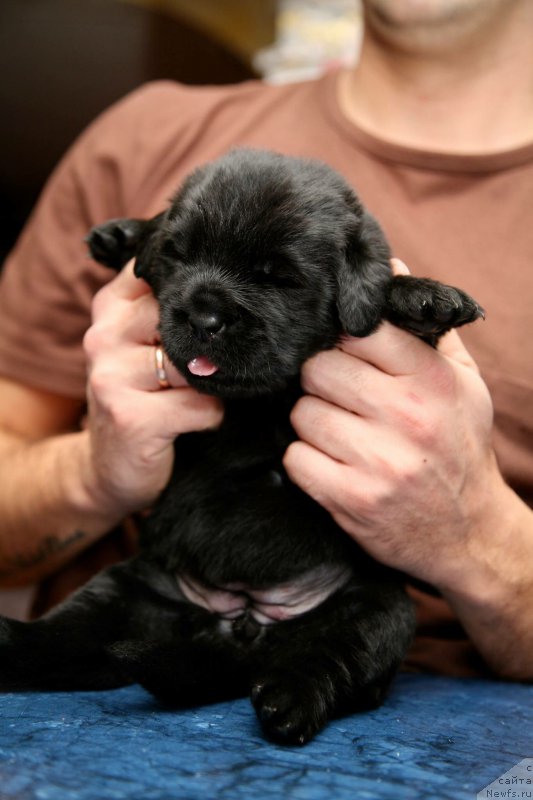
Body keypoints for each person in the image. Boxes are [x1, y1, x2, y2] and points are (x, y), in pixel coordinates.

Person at [0, 0, 532, 679]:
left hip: (444, 734)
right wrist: (89, 472)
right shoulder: (145, 134)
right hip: (112, 685)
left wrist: (480, 536)